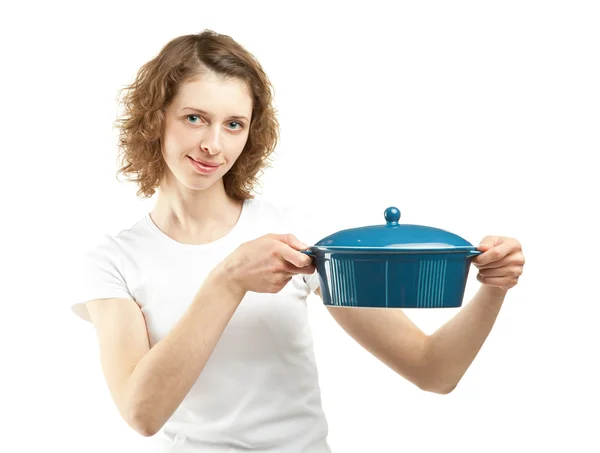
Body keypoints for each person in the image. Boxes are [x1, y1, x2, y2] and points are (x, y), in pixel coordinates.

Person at [70, 30, 526, 453]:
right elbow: (142, 413)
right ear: (155, 119)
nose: (213, 143)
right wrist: (227, 280)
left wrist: (493, 289)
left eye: (234, 124)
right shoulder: (113, 260)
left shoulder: (296, 238)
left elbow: (433, 370)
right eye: (195, 118)